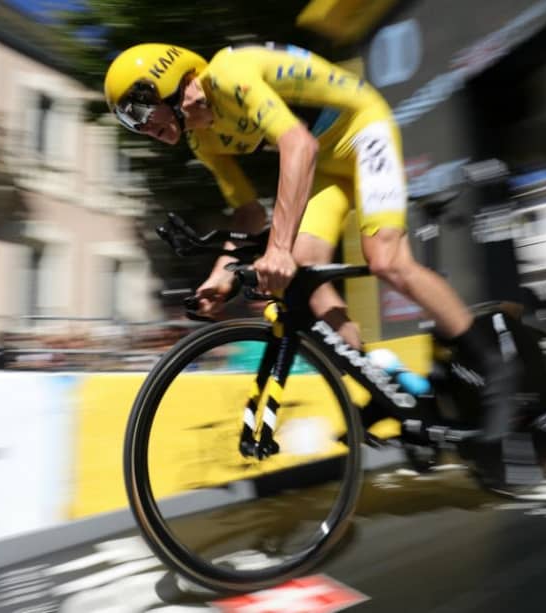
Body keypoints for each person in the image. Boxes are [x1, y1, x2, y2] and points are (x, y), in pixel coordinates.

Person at [104, 42, 520, 487]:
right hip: (326, 159)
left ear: (168, 80)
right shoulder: (202, 140)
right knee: (302, 276)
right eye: (129, 121)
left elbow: (297, 145)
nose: (141, 126)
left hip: (361, 127)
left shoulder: (227, 75)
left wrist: (277, 248)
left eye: (138, 109)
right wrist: (219, 276)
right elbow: (248, 213)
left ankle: (498, 373)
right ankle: (386, 385)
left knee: (386, 260)